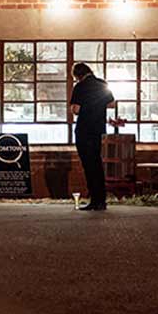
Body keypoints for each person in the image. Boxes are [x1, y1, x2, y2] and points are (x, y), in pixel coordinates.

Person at [70, 62, 122, 212]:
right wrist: (97, 105)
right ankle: (101, 200)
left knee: (89, 165)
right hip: (98, 129)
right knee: (97, 164)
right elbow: (111, 104)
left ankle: (95, 200)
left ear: (77, 75)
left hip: (84, 130)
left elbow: (76, 109)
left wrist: (84, 106)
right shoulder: (102, 84)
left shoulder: (80, 87)